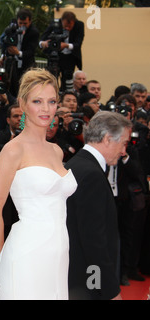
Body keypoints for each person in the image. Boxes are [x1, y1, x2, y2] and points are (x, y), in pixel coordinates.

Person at [0, 68, 77, 299]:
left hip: (59, 250)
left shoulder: (57, 151)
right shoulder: (12, 150)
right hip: (27, 251)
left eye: (51, 101)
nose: (46, 109)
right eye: (37, 101)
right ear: (23, 103)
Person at [65, 111, 132, 300]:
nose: (123, 151)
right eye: (123, 143)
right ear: (108, 139)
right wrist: (110, 291)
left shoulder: (77, 164)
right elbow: (94, 241)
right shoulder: (91, 174)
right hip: (86, 282)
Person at [40, 11, 85, 92]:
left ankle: (66, 96)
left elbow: (78, 43)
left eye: (70, 26)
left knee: (67, 80)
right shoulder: (55, 24)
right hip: (56, 56)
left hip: (70, 57)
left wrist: (66, 45)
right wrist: (43, 43)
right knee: (52, 79)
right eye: (65, 26)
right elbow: (43, 38)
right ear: (62, 21)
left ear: (74, 22)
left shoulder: (79, 25)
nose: (67, 28)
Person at [0, 8, 39, 96]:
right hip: (11, 64)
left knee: (24, 89)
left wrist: (18, 53)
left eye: (25, 23)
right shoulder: (11, 29)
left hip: (25, 65)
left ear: (30, 21)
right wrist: (3, 55)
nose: (22, 26)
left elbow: (31, 51)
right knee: (10, 87)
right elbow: (3, 41)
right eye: (20, 23)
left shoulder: (34, 32)